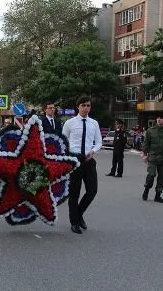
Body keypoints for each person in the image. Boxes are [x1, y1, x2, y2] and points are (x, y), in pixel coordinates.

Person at [62, 95, 102, 235]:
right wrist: (67, 158)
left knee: (92, 190)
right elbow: (63, 142)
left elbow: (98, 142)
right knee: (74, 193)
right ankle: (74, 222)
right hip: (75, 160)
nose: (86, 108)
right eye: (83, 105)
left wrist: (93, 151)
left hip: (89, 159)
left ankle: (78, 214)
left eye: (88, 105)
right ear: (78, 107)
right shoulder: (70, 123)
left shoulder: (94, 123)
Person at [141, 114, 163, 203]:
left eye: (161, 118)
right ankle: (146, 190)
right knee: (151, 174)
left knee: (161, 177)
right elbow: (145, 143)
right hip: (153, 157)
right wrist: (144, 154)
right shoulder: (150, 131)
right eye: (157, 118)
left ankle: (158, 196)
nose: (159, 120)